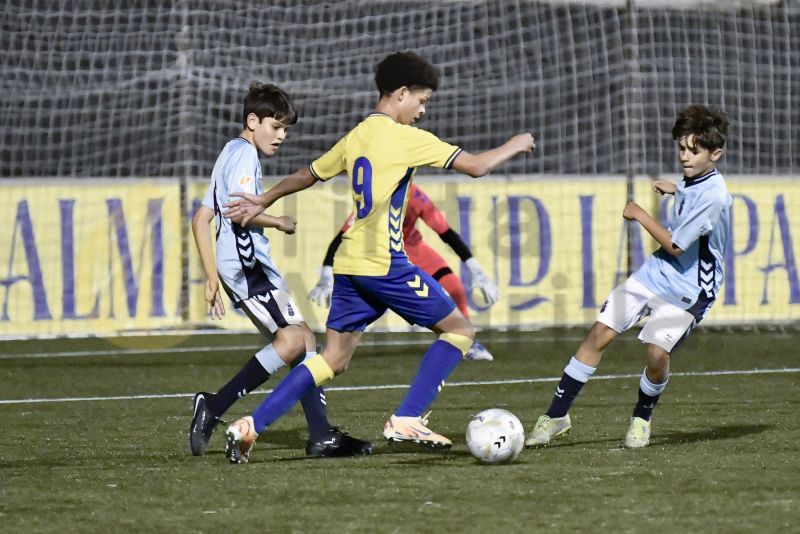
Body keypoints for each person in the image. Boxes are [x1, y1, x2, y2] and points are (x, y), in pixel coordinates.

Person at [221, 51, 535, 463]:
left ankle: (251, 426)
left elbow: (309, 173)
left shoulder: (358, 134)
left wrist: (264, 197)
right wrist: (515, 143)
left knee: (333, 357)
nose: (422, 112)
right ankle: (407, 417)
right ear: (401, 93)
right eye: (421, 101)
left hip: (350, 265)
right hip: (384, 264)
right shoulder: (406, 138)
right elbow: (475, 166)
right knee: (460, 330)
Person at [526, 104, 731, 449]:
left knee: (655, 354)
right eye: (682, 148)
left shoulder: (714, 195)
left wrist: (638, 213)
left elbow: (677, 245)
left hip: (690, 288)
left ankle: (642, 418)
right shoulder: (695, 180)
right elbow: (687, 204)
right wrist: (676, 189)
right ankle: (556, 415)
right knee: (599, 333)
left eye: (694, 151)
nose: (685, 156)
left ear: (716, 155)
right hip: (656, 273)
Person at [189, 81, 373, 459]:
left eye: (286, 129)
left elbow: (201, 218)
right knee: (292, 342)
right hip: (248, 266)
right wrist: (278, 222)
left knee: (304, 341)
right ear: (252, 121)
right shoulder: (244, 158)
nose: (281, 135)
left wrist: (211, 276)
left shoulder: (229, 151)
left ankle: (321, 434)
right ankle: (215, 405)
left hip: (245, 267)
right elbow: (241, 214)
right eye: (276, 126)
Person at [308, 183, 498, 361]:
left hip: (414, 249)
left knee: (453, 285)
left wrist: (476, 269)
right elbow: (342, 236)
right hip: (382, 254)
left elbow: (446, 233)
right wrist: (326, 274)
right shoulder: (376, 195)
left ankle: (466, 344)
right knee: (370, 305)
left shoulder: (415, 194)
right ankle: (334, 346)